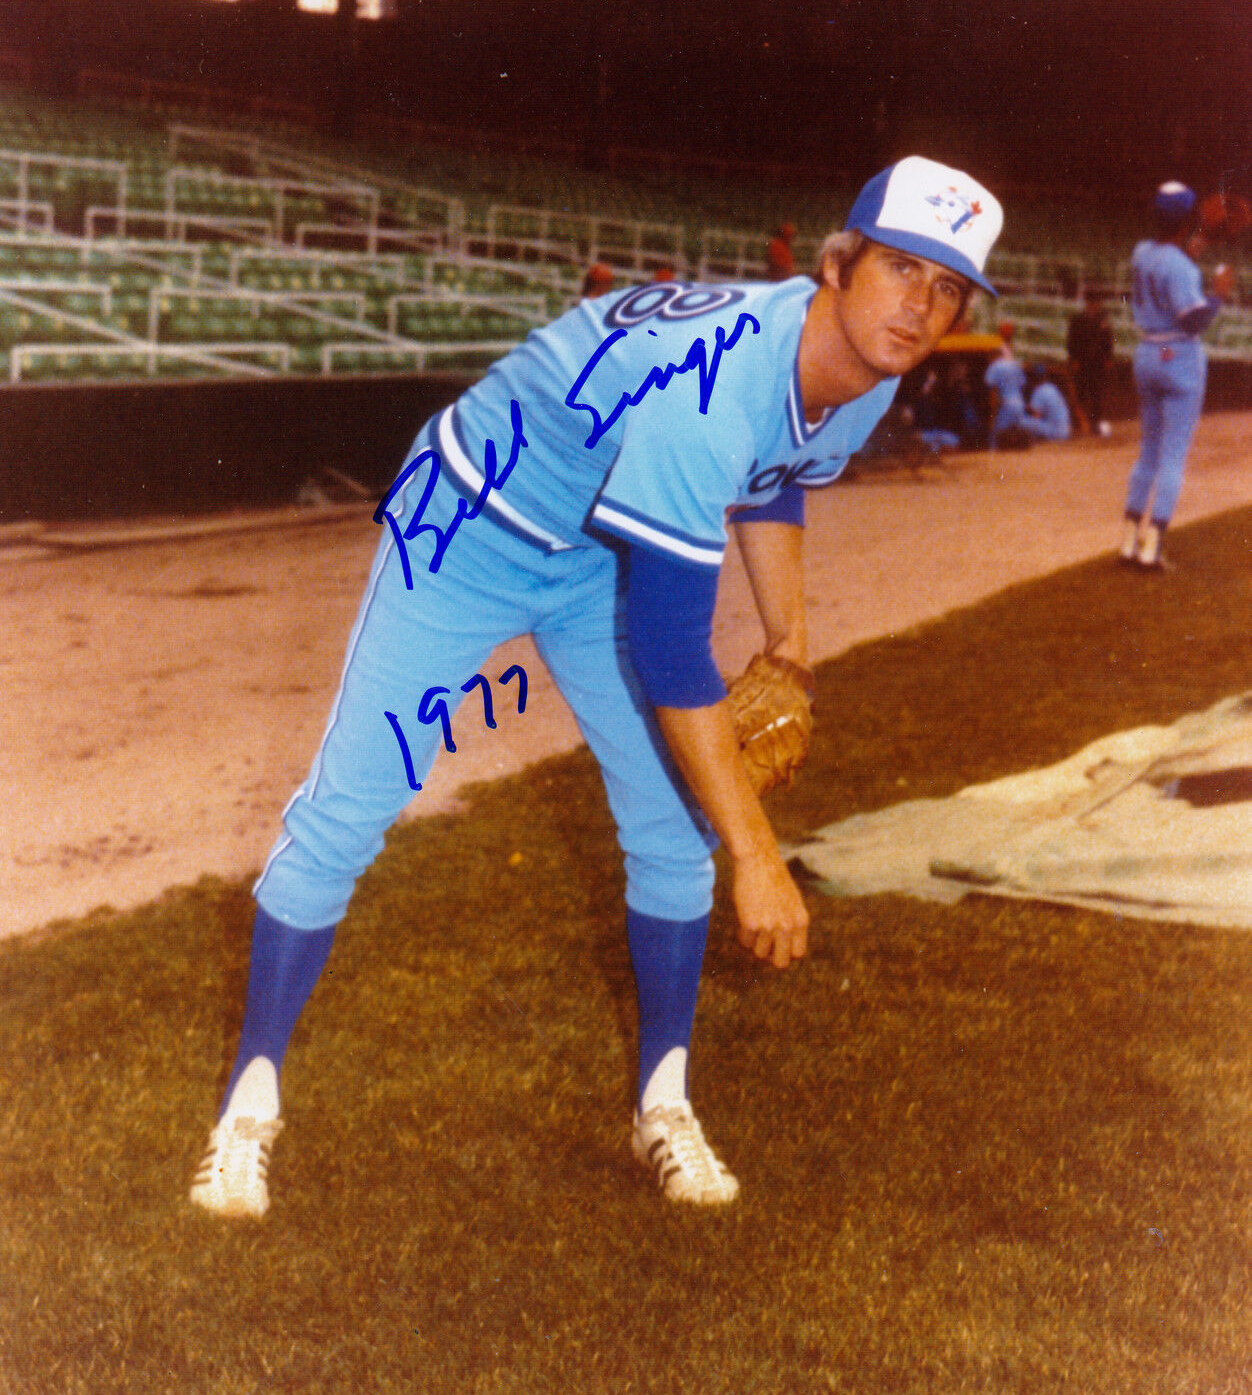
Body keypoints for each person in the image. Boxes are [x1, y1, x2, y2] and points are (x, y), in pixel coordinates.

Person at [189, 155, 1003, 1219]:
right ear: (837, 267)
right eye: (902, 268)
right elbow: (671, 650)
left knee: (672, 827)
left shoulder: (861, 377)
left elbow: (772, 484)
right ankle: (246, 1108)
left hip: (590, 550)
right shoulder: (713, 386)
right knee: (352, 803)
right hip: (467, 520)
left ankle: (663, 1104)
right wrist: (759, 856)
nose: (921, 304)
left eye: (946, 287)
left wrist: (791, 647)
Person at [1118, 180, 1235, 570]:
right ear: (1185, 219)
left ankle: (1127, 542)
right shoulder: (1181, 266)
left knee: (1147, 453)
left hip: (1150, 351)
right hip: (1177, 354)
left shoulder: (1142, 252)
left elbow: (1169, 257)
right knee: (1172, 457)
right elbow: (1195, 320)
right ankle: (1152, 548)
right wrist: (1218, 293)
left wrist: (1196, 236)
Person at [1066, 288, 1114, 436]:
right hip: (1082, 360)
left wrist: (1108, 358)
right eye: (1092, 302)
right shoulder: (1078, 320)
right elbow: (1071, 341)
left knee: (1097, 394)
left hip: (1098, 362)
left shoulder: (1103, 319)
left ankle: (1095, 425)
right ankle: (1077, 424)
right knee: (1080, 392)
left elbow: (1108, 341)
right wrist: (1074, 359)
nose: (1094, 305)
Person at [984, 322, 1031, 447]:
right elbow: (1022, 386)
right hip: (1019, 405)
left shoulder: (993, 367)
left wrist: (992, 416)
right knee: (1020, 440)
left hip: (1006, 406)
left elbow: (993, 394)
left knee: (996, 437)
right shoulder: (1014, 364)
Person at [1024, 363, 1072, 442]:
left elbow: (1036, 416)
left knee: (1022, 421)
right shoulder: (1052, 388)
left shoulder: (1039, 391)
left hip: (1055, 432)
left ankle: (1032, 440)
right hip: (1065, 431)